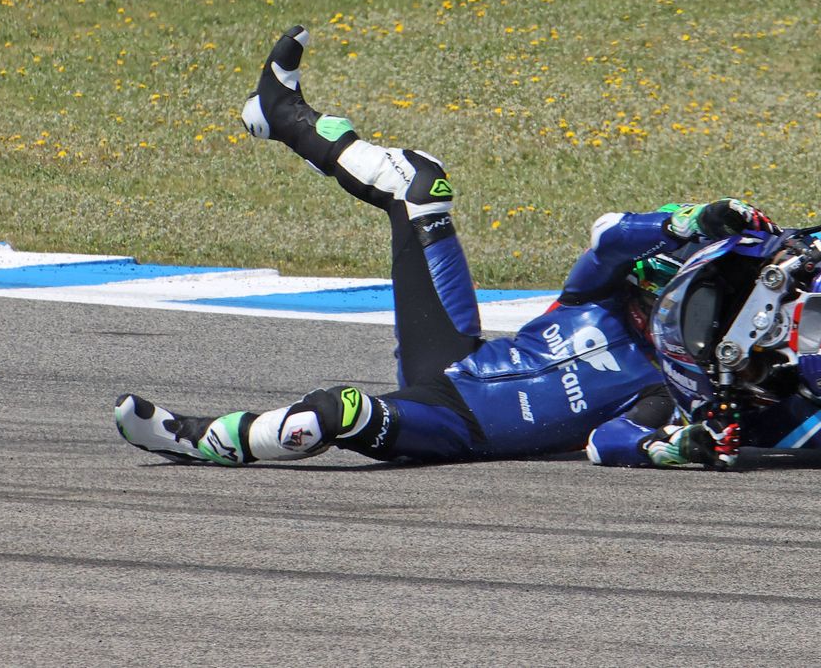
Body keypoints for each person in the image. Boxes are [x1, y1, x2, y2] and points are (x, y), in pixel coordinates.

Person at [114, 26, 772, 468]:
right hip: (457, 353)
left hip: (457, 424)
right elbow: (609, 234)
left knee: (333, 413)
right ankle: (282, 114)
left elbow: (611, 442)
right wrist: (688, 220)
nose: (712, 318)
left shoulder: (669, 383)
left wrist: (675, 447)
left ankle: (194, 437)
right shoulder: (601, 288)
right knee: (421, 185)